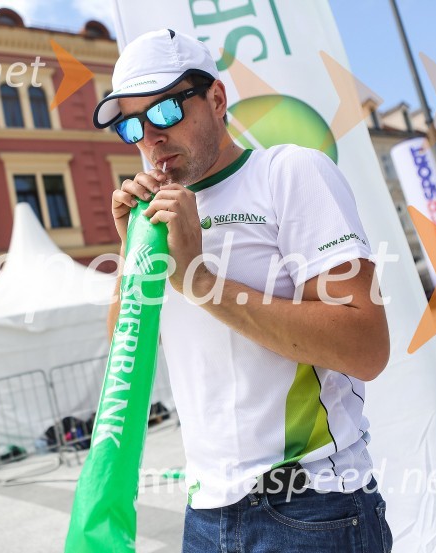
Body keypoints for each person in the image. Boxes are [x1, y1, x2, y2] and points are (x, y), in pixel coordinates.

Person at [95, 29, 393, 552]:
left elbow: (365, 347)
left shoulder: (289, 173)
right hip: (205, 511)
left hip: (311, 503)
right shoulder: (157, 217)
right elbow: (125, 350)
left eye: (164, 111)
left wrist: (201, 282)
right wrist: (132, 252)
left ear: (216, 99)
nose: (150, 138)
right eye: (132, 125)